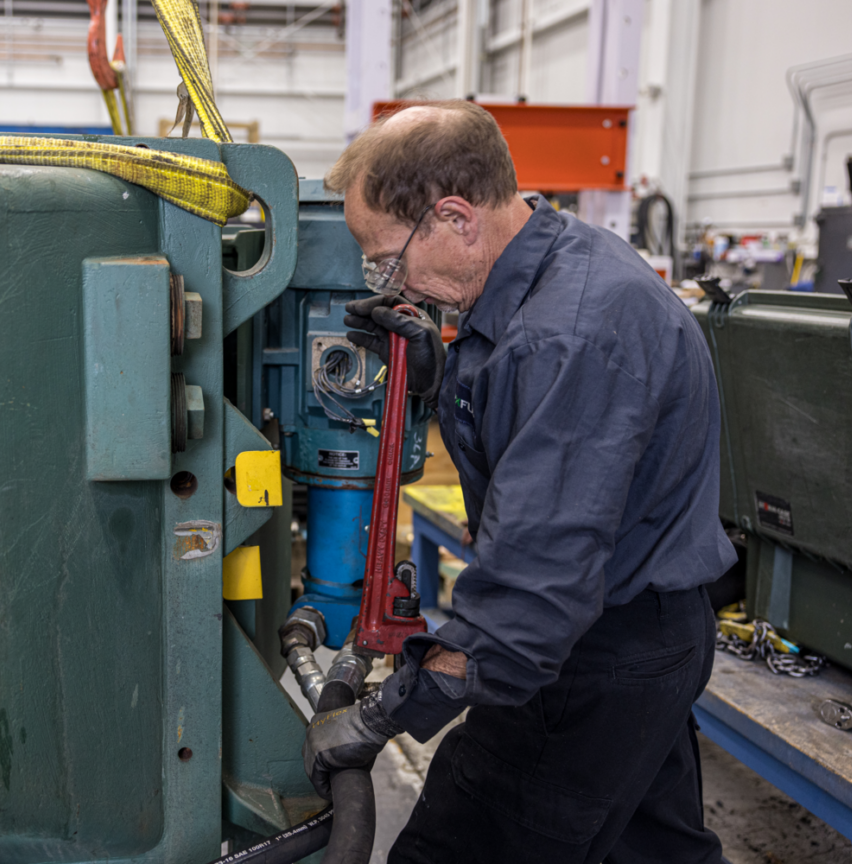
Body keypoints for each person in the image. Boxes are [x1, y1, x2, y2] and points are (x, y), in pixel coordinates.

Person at [302, 101, 737, 864]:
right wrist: (443, 375)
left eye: (388, 260)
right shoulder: (549, 268)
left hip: (591, 655)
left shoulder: (572, 331)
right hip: (643, 636)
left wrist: (382, 715)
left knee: (461, 847)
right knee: (653, 853)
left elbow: (530, 601)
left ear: (455, 217)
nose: (388, 281)